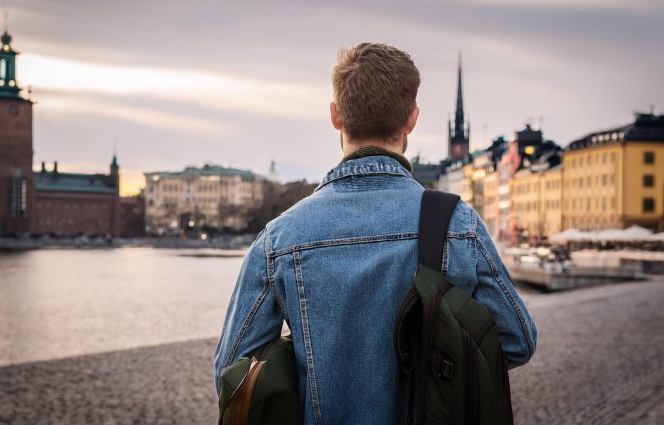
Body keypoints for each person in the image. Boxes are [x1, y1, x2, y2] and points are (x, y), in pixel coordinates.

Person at [214, 43, 537, 424]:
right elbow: (517, 340)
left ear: (335, 116)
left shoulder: (279, 239)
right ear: (412, 119)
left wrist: (309, 356)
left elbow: (233, 370)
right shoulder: (457, 225)